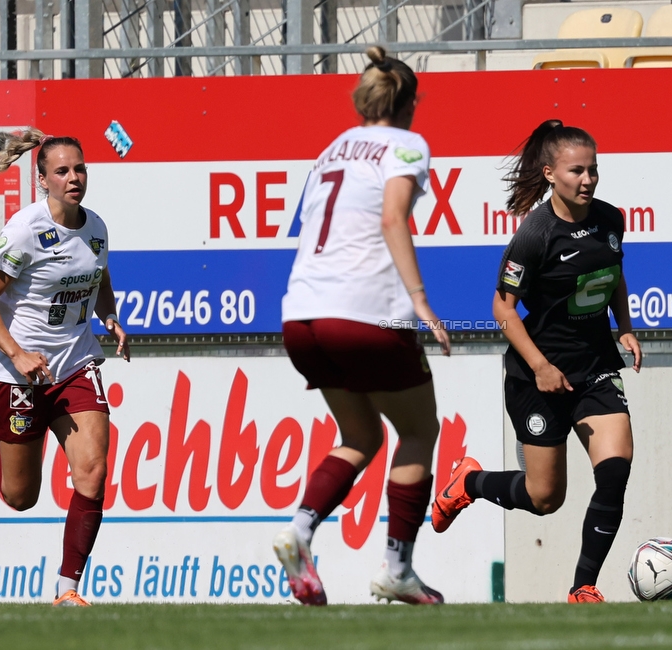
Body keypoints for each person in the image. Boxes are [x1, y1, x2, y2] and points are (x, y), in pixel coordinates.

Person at [431, 120, 642, 603]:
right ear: (550, 173)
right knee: (545, 498)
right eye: (576, 171)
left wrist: (625, 326)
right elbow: (501, 307)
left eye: (593, 170)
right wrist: (542, 366)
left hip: (594, 368)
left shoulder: (611, 219)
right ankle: (470, 481)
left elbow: (615, 277)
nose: (586, 180)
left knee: (615, 469)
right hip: (535, 378)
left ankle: (583, 587)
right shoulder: (535, 233)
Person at [275, 45, 451, 606]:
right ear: (411, 102)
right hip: (365, 311)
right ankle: (397, 569)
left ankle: (298, 532)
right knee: (420, 432)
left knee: (361, 436)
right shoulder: (407, 144)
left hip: (302, 315)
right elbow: (392, 217)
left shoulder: (330, 150)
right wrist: (420, 301)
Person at [0, 129, 130, 607]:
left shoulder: (96, 226)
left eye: (79, 169)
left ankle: (67, 589)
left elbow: (99, 276)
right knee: (20, 496)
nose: (74, 178)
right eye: (62, 171)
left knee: (92, 471)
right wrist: (16, 353)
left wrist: (109, 317)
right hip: (18, 375)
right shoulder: (25, 230)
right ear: (43, 181)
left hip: (75, 363)